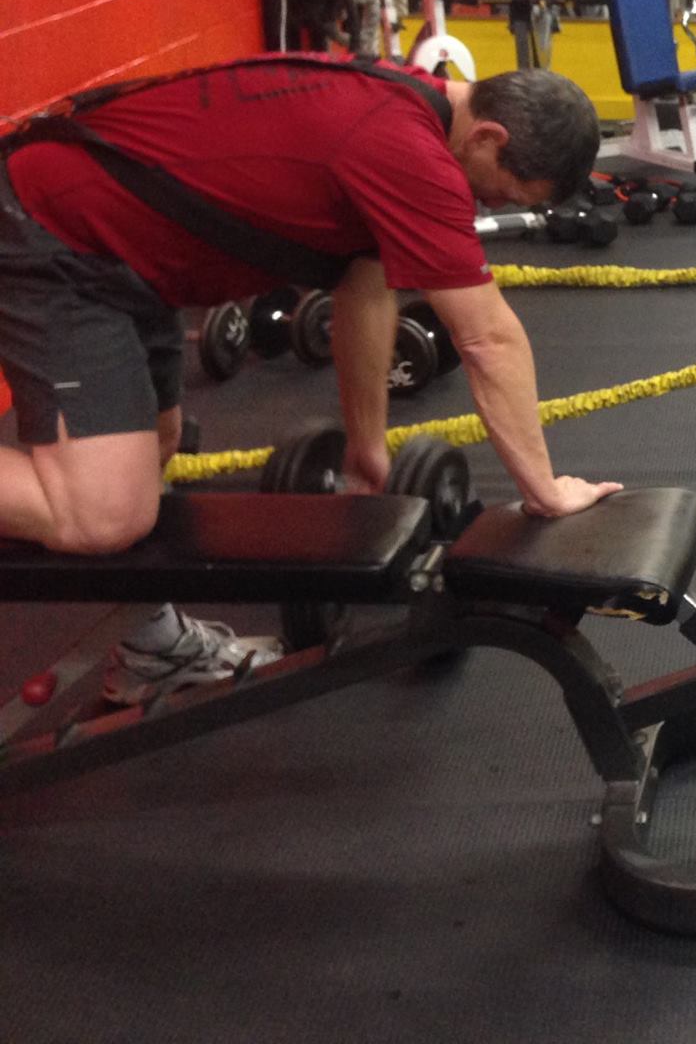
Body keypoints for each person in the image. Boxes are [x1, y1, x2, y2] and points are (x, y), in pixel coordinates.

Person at [0, 56, 623, 701]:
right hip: (51, 233)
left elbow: (366, 287)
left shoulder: (413, 100)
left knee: (155, 444)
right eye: (501, 193)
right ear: (489, 136)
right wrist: (545, 491)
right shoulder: (404, 147)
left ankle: (152, 653)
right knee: (102, 518)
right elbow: (487, 338)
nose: (487, 206)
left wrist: (367, 444)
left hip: (125, 255)